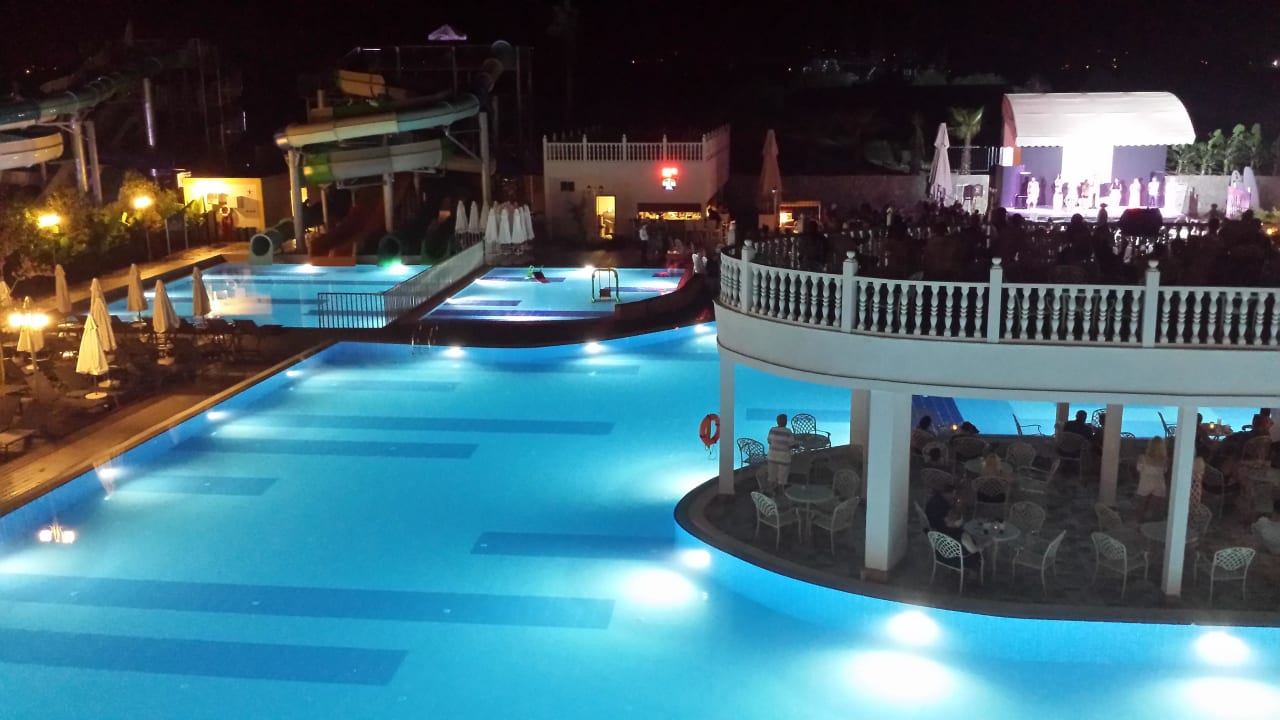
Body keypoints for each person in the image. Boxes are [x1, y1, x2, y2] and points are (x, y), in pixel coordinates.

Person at [1135, 437, 1169, 522]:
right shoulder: (1165, 460)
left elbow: (1138, 469)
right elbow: (1165, 471)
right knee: (1153, 511)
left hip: (1145, 485)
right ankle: (1151, 523)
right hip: (1159, 486)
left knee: (1141, 508)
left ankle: (1140, 524)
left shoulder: (1142, 458)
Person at [766, 413, 797, 491]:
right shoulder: (788, 431)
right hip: (783, 458)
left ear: (777, 421)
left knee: (771, 476)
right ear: (786, 422)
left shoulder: (772, 430)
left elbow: (769, 441)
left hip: (772, 457)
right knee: (782, 477)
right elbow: (792, 445)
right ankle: (781, 492)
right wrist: (798, 445)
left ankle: (771, 492)